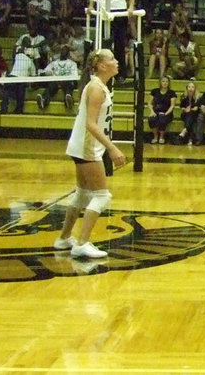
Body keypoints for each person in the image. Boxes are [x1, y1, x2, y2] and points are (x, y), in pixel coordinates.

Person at [54, 48, 125, 259]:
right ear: (102, 66)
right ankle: (82, 243)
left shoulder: (98, 85)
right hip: (87, 147)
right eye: (112, 58)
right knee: (102, 196)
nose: (117, 61)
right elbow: (91, 124)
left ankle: (64, 238)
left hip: (80, 145)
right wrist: (112, 148)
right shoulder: (96, 89)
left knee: (83, 194)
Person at [88, 0, 135, 83]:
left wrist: (131, 7)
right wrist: (90, 6)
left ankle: (120, 74)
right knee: (104, 44)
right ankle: (102, 73)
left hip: (119, 13)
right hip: (104, 12)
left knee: (120, 44)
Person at [0, 36, 36, 115]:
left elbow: (15, 52)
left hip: (13, 78)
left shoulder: (18, 55)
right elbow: (33, 77)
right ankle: (19, 109)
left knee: (7, 90)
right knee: (20, 93)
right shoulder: (31, 63)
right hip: (20, 80)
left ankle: (4, 107)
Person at [37, 45, 79, 111]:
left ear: (68, 53)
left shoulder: (72, 64)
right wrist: (47, 73)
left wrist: (63, 80)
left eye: (65, 50)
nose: (63, 52)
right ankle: (43, 100)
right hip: (55, 81)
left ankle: (68, 101)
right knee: (51, 85)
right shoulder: (54, 63)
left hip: (67, 81)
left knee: (69, 85)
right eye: (62, 50)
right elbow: (45, 71)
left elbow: (74, 76)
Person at [147, 75, 177, 144]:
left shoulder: (172, 93)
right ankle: (155, 137)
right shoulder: (154, 91)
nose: (165, 83)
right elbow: (149, 103)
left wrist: (166, 113)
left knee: (162, 119)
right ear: (160, 82)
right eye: (163, 81)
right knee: (151, 119)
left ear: (169, 83)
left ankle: (161, 137)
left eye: (166, 82)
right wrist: (152, 112)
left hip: (167, 112)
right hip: (156, 111)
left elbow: (172, 105)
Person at [177, 80, 200, 146]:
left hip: (195, 114)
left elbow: (196, 108)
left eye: (192, 87)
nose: (191, 89)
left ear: (195, 89)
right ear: (187, 88)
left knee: (191, 117)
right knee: (189, 117)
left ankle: (184, 132)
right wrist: (185, 109)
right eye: (189, 87)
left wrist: (190, 109)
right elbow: (182, 107)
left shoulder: (198, 97)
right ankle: (190, 139)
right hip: (185, 114)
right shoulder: (183, 96)